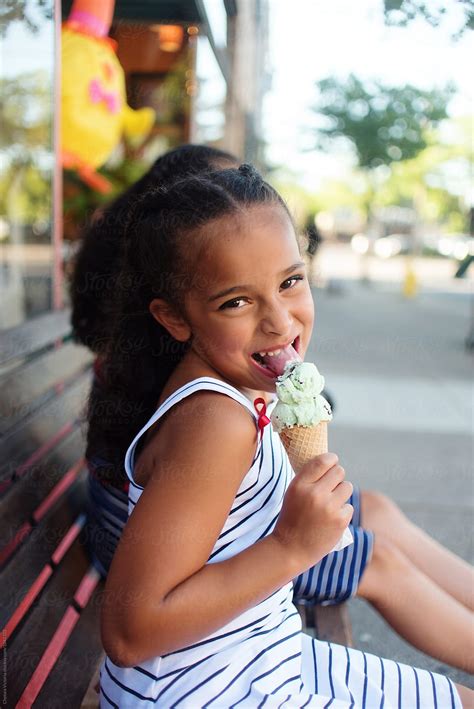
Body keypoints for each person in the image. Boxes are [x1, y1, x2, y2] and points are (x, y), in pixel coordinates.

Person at [95, 165, 472, 707]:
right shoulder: (214, 423)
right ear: (175, 319)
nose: (279, 321)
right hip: (206, 689)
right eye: (236, 302)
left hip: (261, 652)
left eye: (290, 281)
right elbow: (131, 632)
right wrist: (293, 545)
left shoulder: (239, 394)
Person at [70, 144, 237, 576]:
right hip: (171, 552)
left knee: (380, 517)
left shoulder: (142, 329)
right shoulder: (181, 361)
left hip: (122, 523)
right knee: (381, 559)